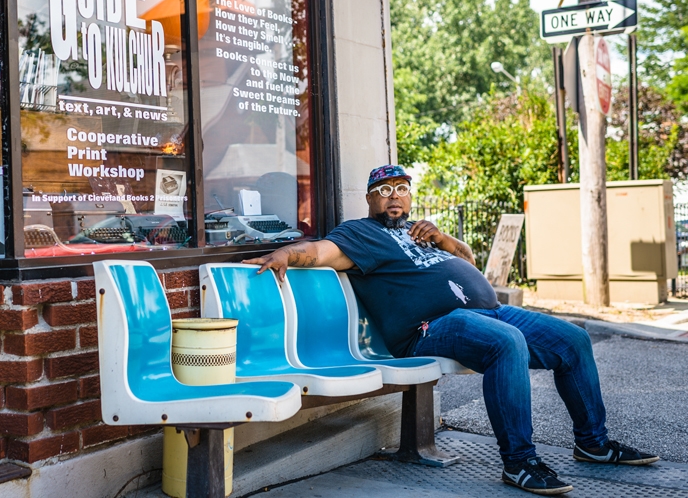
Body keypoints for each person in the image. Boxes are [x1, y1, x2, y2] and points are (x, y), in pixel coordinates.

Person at [245, 164, 658, 496]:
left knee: (573, 339)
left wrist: (442, 238)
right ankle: (519, 462)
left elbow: (467, 258)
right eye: (384, 190)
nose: (394, 196)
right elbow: (320, 251)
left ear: (410, 195)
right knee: (506, 343)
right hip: (429, 328)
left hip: (491, 312)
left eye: (401, 188)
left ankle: (593, 443)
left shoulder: (419, 232)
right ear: (370, 199)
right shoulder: (360, 233)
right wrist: (286, 254)